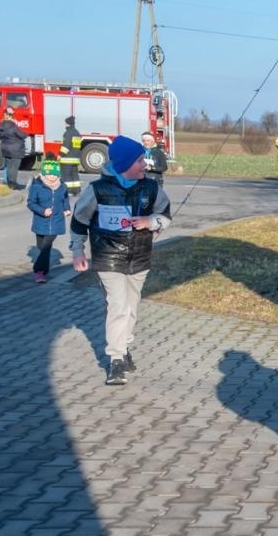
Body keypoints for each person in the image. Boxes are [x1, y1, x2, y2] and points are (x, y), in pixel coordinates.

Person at [70, 135, 172, 385]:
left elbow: (166, 216)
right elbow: (79, 220)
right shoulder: (97, 190)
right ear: (125, 164)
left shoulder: (151, 188)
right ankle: (115, 360)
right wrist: (77, 251)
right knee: (118, 306)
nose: (144, 165)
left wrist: (151, 222)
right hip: (108, 258)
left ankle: (125, 347)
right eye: (139, 161)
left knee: (132, 307)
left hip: (139, 257)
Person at [26, 159, 71, 283]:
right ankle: (41, 267)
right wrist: (42, 211)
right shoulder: (36, 187)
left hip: (56, 221)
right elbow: (31, 203)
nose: (52, 177)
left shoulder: (62, 186)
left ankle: (40, 271)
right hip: (41, 221)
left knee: (46, 246)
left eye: (54, 174)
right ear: (43, 174)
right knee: (41, 246)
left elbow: (65, 199)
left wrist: (67, 209)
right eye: (49, 174)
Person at [0, 110, 27, 189]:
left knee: (9, 167)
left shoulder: (1, 125)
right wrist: (25, 133)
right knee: (14, 167)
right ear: (10, 116)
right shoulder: (13, 125)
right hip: (15, 149)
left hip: (5, 148)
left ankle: (9, 183)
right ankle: (13, 184)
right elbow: (22, 135)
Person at [59, 115, 83, 192]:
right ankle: (76, 190)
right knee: (75, 175)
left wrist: (60, 155)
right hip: (75, 159)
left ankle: (68, 191)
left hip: (67, 159)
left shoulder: (68, 133)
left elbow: (66, 146)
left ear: (67, 123)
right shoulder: (77, 132)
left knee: (66, 175)